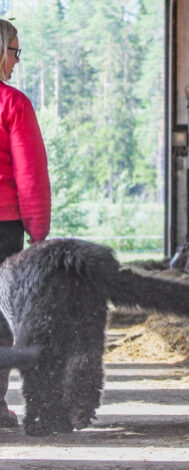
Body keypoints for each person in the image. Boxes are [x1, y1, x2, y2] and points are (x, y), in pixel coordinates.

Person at [0, 19, 51, 427]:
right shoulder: (12, 103)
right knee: (1, 317)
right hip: (2, 226)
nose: (17, 60)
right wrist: (38, 231)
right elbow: (29, 174)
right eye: (15, 51)